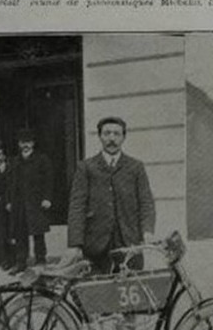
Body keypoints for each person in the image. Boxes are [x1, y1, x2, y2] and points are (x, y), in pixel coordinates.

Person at [66, 117, 156, 274]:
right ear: (100, 136)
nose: (112, 139)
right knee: (96, 294)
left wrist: (147, 232)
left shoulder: (135, 167)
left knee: (132, 291)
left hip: (130, 245)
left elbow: (146, 202)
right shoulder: (86, 167)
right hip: (95, 246)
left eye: (116, 134)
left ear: (123, 137)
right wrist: (75, 244)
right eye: (107, 133)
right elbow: (77, 206)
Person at [7, 130, 53, 272]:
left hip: (36, 202)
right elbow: (10, 183)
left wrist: (47, 198)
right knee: (20, 233)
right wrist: (9, 201)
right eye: (22, 142)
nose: (25, 145)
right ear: (19, 144)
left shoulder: (42, 159)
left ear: (33, 143)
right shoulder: (15, 161)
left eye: (28, 142)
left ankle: (40, 260)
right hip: (19, 203)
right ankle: (21, 263)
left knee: (38, 232)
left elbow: (49, 180)